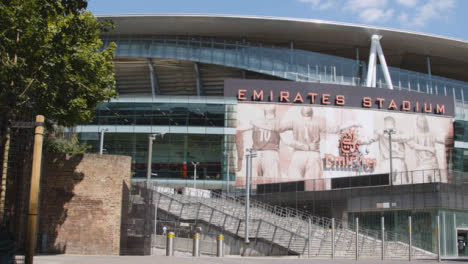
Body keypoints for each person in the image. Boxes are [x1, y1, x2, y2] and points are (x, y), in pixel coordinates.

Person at [279, 107, 359, 189]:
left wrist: (292, 143)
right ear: (312, 113)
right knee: (312, 186)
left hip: (298, 154)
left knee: (293, 186)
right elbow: (336, 129)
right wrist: (352, 124)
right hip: (313, 155)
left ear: (301, 113)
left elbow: (279, 128)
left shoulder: (294, 122)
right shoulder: (318, 122)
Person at [236, 105, 282, 184]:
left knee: (251, 182)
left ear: (264, 112)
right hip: (271, 153)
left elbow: (240, 129)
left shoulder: (256, 121)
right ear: (275, 112)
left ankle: (250, 195)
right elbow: (287, 140)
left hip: (255, 153)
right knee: (271, 183)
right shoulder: (279, 122)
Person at [360, 116, 412, 184]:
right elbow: (369, 139)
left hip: (397, 161)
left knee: (400, 183)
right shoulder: (381, 132)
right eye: (386, 124)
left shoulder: (396, 132)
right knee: (388, 183)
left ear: (393, 124)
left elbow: (407, 138)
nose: (387, 125)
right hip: (388, 161)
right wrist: (358, 141)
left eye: (388, 123)